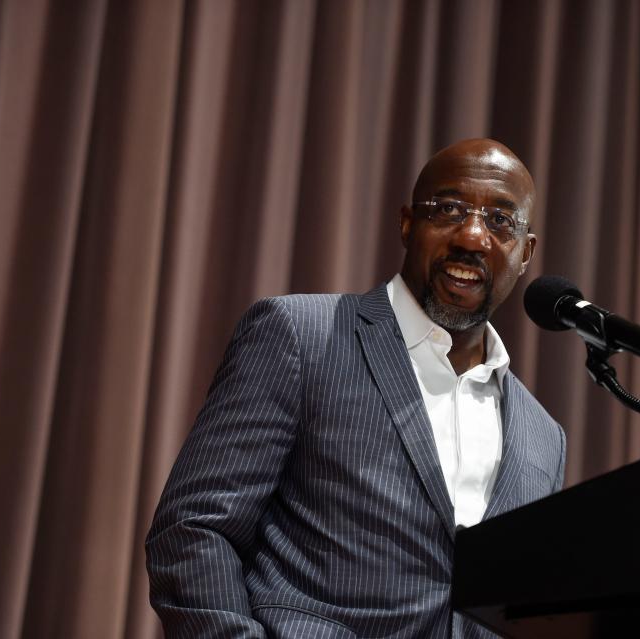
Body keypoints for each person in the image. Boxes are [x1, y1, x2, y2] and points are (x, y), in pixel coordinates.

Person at [146, 138, 566, 638]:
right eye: (449, 209)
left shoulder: (544, 437)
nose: (472, 236)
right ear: (408, 224)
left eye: (501, 221)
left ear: (526, 253)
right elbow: (193, 529)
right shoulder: (302, 335)